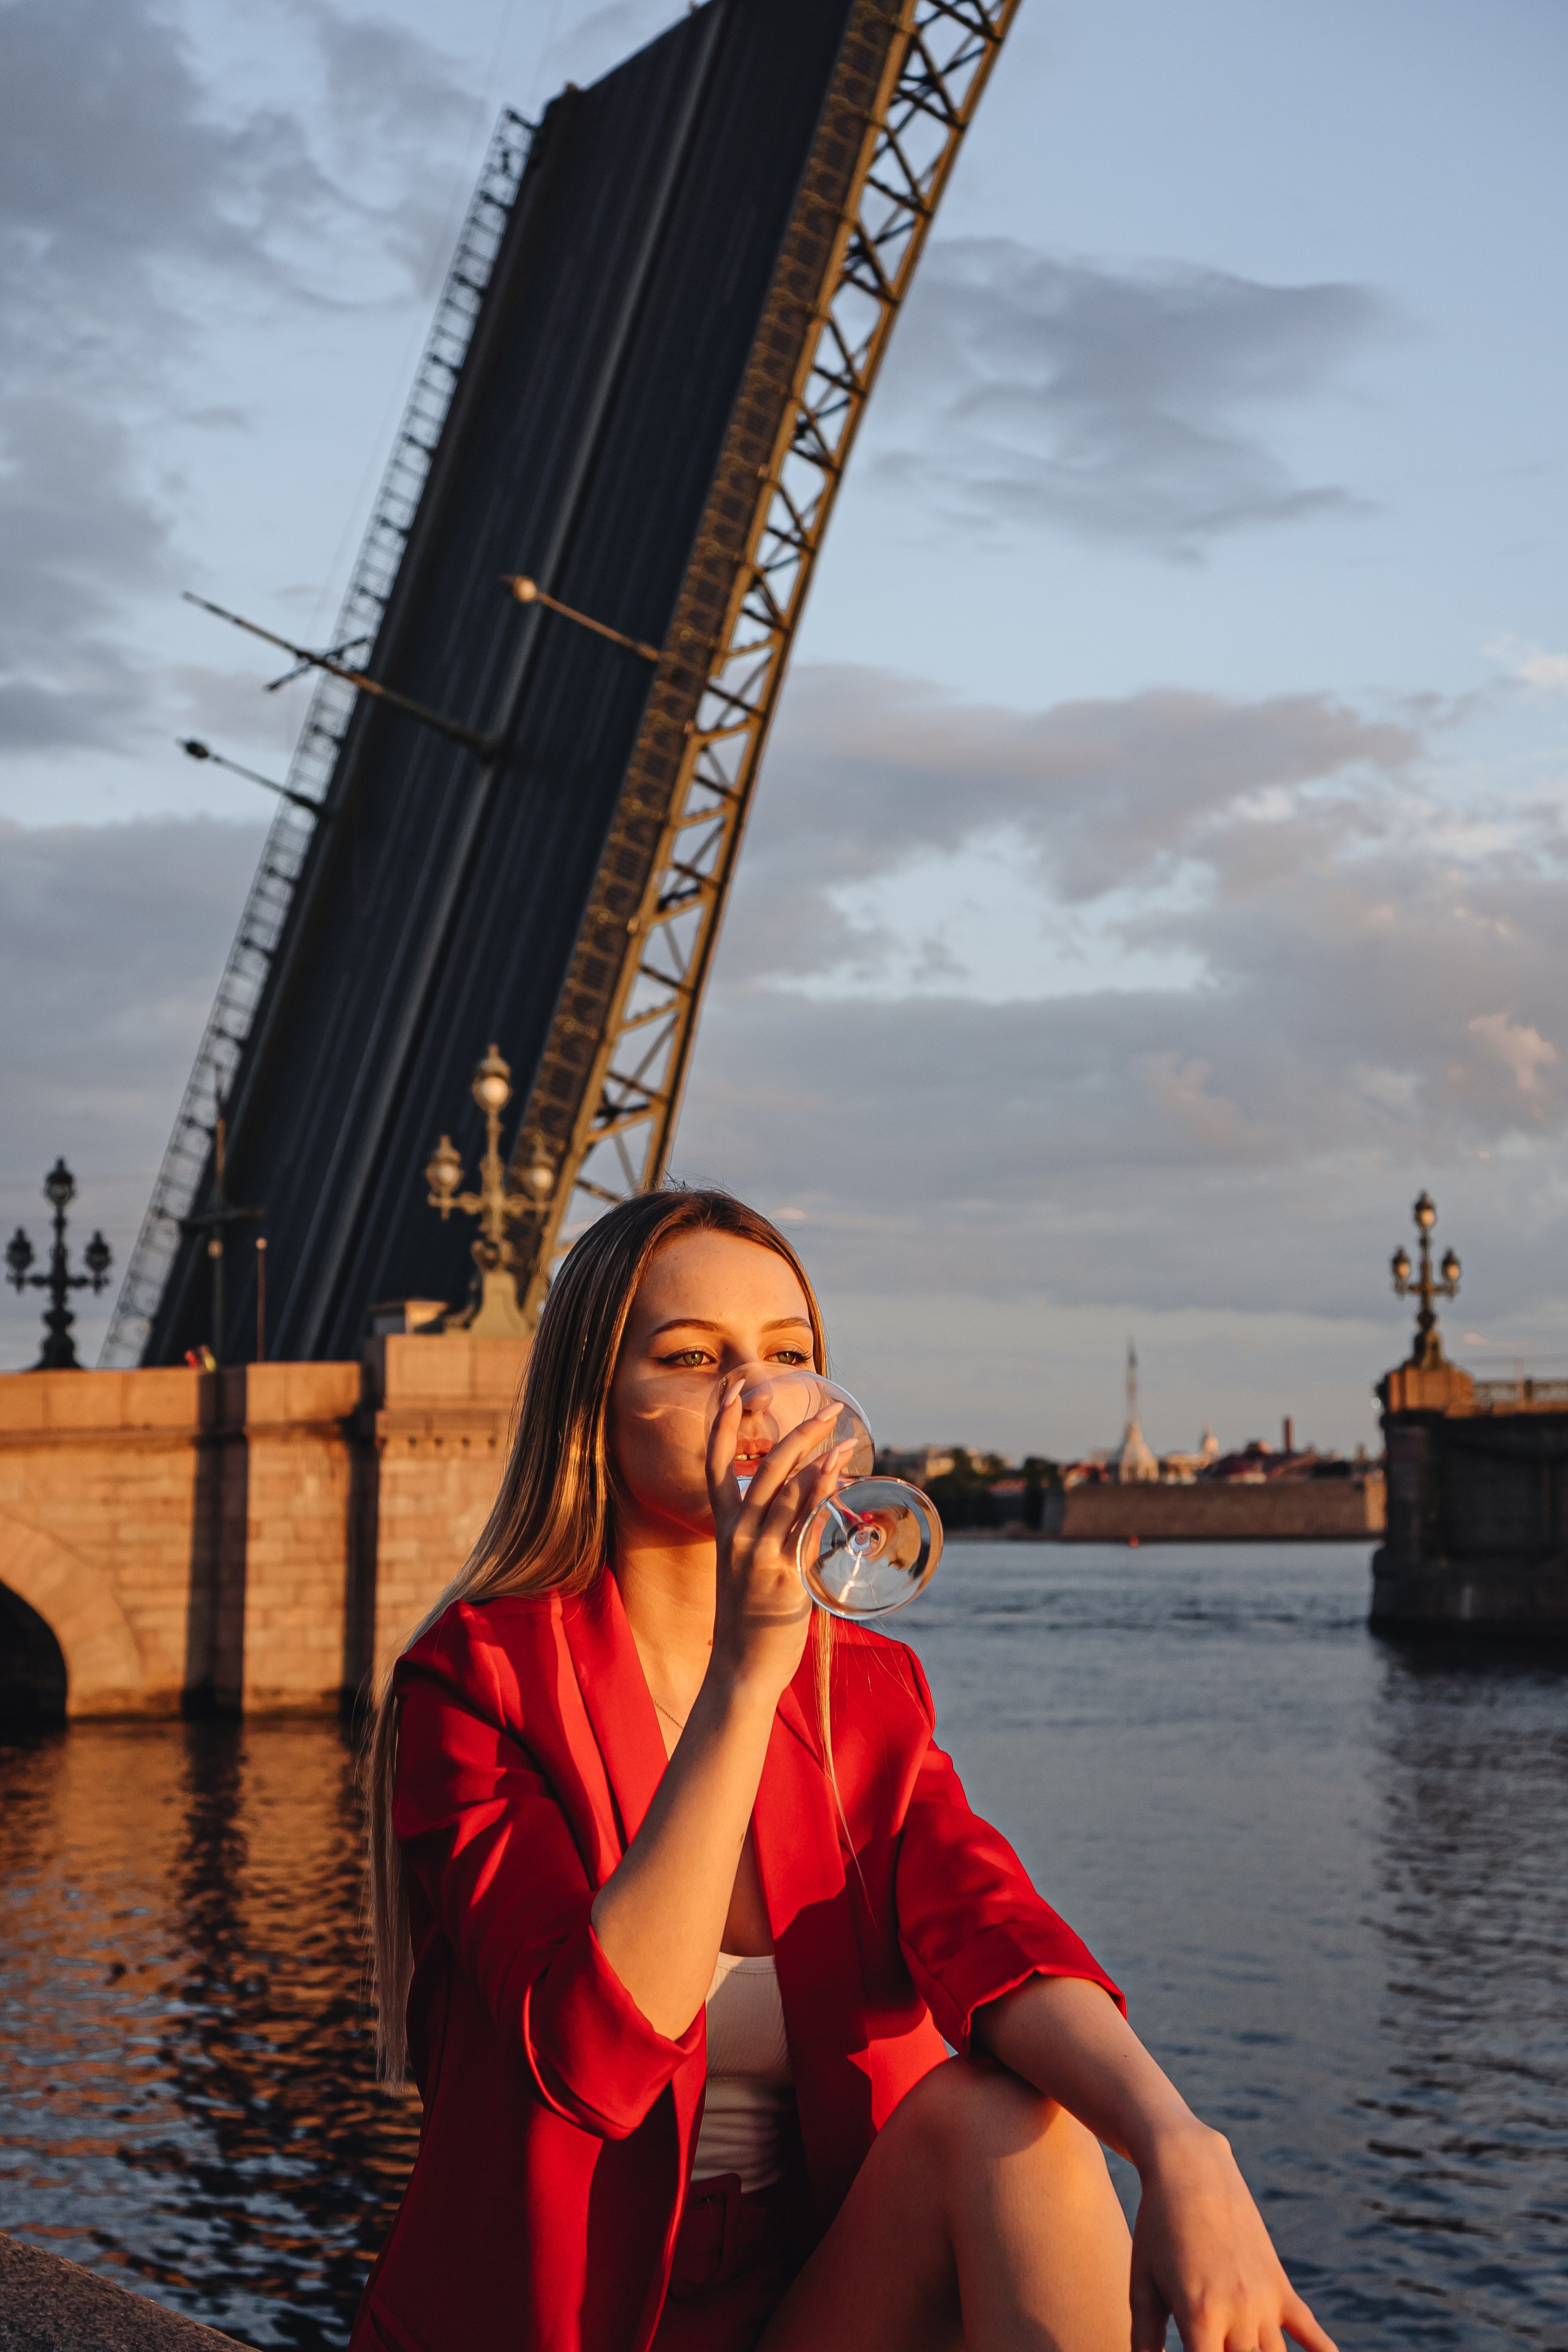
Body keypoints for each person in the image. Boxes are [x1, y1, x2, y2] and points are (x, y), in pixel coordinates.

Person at [354, 1188, 1335, 2352]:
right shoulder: (480, 1683)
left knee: (1015, 2120)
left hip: (810, 2313)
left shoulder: (866, 1690)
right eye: (693, 1357)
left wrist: (1179, 2144)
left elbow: (994, 1928)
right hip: (550, 2328)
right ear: (592, 1405)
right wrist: (744, 1676)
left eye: (787, 1355)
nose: (755, 1396)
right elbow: (598, 2061)